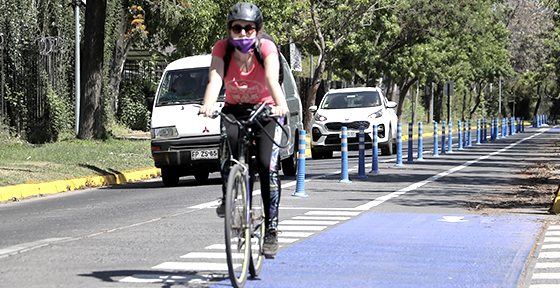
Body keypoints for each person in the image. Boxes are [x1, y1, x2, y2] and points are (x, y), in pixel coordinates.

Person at [199, 2, 289, 257]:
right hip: (234, 109)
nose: (242, 33)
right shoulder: (222, 49)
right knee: (227, 153)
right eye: (237, 28)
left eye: (249, 29)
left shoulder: (267, 48)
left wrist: (281, 106)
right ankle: (228, 196)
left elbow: (272, 79)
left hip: (266, 111)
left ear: (257, 31)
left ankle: (271, 231)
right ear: (229, 30)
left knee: (266, 166)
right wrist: (207, 104)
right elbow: (216, 78)